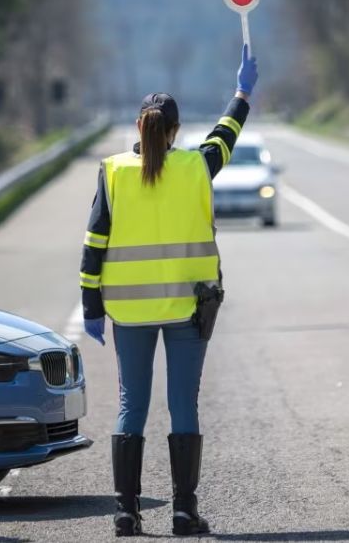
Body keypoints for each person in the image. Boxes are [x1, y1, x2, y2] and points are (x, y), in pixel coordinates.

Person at [79, 44, 258, 536]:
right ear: (175, 131)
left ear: (139, 128)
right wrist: (241, 92)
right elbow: (227, 134)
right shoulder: (197, 166)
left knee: (130, 406)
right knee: (184, 404)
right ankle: (183, 511)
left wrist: (91, 306)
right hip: (186, 308)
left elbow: (94, 244)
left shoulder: (113, 172)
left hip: (129, 313)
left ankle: (125, 513)